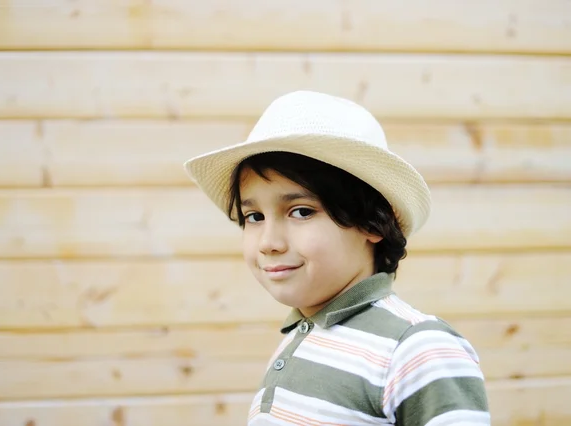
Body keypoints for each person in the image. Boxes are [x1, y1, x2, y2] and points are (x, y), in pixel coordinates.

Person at [184, 91, 490, 425]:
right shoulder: (303, 336)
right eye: (254, 216)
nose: (269, 242)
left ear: (372, 221)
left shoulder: (417, 349)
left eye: (300, 211)